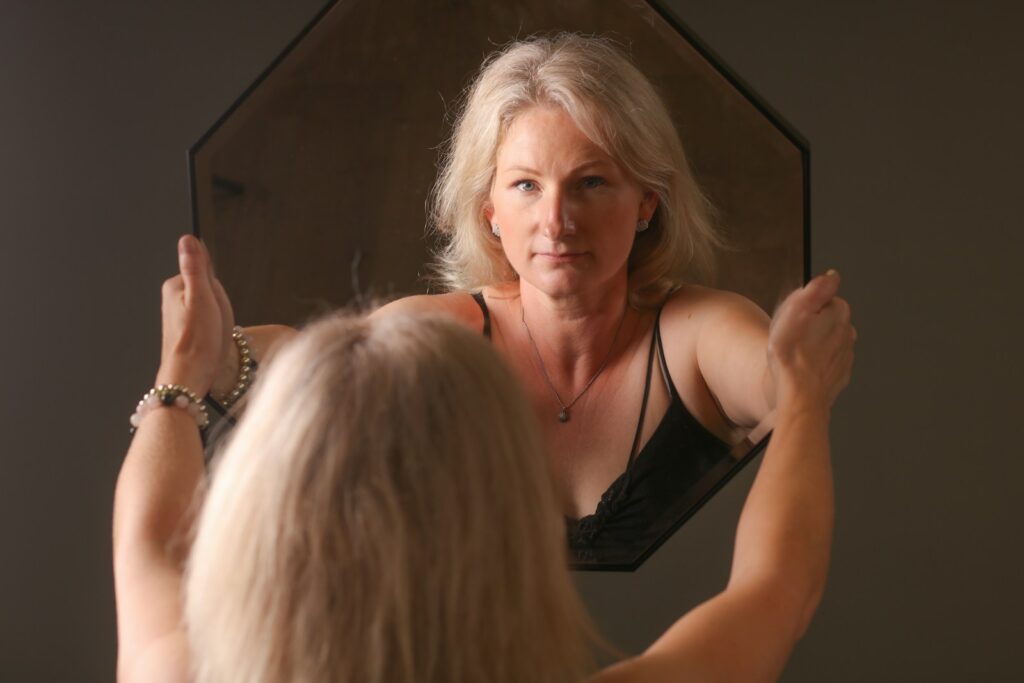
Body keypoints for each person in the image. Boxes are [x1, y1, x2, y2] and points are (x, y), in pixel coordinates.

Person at [113, 234, 854, 681]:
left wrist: (178, 372)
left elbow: (147, 540)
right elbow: (779, 587)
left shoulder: (172, 670)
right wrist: (804, 400)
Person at [209, 34, 792, 553]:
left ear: (647, 200)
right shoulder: (445, 336)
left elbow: (784, 381)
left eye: (590, 182)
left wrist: (798, 371)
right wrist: (212, 354)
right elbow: (304, 358)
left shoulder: (698, 332)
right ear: (489, 209)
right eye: (526, 186)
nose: (556, 220)